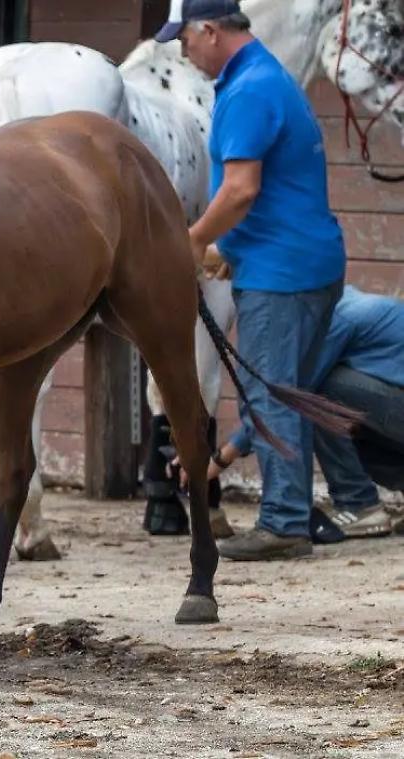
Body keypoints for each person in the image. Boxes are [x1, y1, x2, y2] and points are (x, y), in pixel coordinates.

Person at [156, 1, 347, 560]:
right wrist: (227, 250)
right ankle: (291, 512)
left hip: (282, 274)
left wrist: (192, 241)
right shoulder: (265, 77)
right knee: (288, 389)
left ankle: (285, 521)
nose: (183, 52)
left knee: (272, 393)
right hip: (298, 261)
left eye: (185, 40)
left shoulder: (248, 91)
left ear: (210, 31)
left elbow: (241, 190)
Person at [186, 282, 404, 538]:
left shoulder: (338, 319)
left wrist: (222, 458)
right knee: (335, 401)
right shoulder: (340, 304)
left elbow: (288, 396)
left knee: (316, 394)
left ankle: (359, 503)